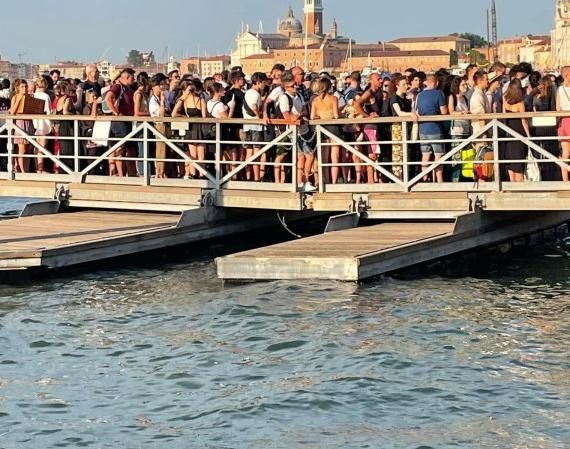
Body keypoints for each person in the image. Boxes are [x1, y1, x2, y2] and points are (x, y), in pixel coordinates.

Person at [416, 74, 448, 183]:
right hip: (435, 128)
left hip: (422, 129)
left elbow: (416, 111)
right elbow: (444, 111)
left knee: (425, 154)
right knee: (439, 154)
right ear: (436, 83)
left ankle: (424, 178)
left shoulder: (419, 95)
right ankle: (439, 179)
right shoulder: (438, 93)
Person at [172, 78, 207, 179]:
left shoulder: (186, 100)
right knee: (199, 155)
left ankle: (194, 174)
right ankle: (200, 175)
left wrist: (183, 98)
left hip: (192, 128)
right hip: (198, 128)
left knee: (194, 155)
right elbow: (204, 117)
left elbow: (174, 113)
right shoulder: (200, 100)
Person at [105, 68, 135, 177]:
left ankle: (124, 173)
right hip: (119, 123)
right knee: (120, 148)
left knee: (123, 148)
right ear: (127, 77)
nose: (134, 79)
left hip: (127, 121)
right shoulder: (118, 86)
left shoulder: (128, 88)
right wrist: (116, 112)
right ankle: (120, 174)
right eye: (132, 77)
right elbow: (108, 98)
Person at [311, 76, 340, 188]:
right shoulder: (333, 99)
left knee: (323, 158)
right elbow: (336, 116)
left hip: (322, 129)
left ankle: (326, 181)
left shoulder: (315, 100)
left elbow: (312, 117)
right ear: (329, 87)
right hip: (333, 128)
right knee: (334, 158)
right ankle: (334, 182)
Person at [389, 75, 417, 180]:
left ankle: (407, 176)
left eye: (406, 84)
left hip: (406, 127)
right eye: (403, 84)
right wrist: (411, 114)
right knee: (398, 151)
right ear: (397, 86)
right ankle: (398, 177)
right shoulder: (394, 97)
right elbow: (399, 112)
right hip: (397, 127)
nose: (406, 86)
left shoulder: (405, 97)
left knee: (407, 150)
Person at [502, 79, 529, 182]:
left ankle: (512, 184)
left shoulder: (505, 99)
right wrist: (528, 136)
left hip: (509, 133)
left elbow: (504, 116)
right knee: (519, 163)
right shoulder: (520, 103)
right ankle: (520, 186)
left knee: (511, 163)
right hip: (519, 133)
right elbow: (524, 121)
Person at [242, 72, 268, 182]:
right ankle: (257, 178)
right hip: (256, 126)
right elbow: (253, 106)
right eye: (264, 83)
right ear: (258, 83)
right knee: (257, 152)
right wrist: (259, 116)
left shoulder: (247, 92)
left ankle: (248, 176)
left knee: (249, 152)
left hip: (247, 125)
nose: (265, 85)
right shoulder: (255, 94)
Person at [448, 76, 471, 182]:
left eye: (466, 84)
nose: (465, 86)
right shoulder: (452, 97)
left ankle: (465, 179)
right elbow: (451, 111)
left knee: (466, 156)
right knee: (456, 157)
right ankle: (455, 180)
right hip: (457, 130)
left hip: (466, 130)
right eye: (463, 85)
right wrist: (462, 113)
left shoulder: (465, 98)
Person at [9, 79, 35, 173]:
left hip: (29, 123)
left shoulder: (29, 97)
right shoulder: (15, 97)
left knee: (28, 149)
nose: (25, 88)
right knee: (22, 149)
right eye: (22, 86)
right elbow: (12, 112)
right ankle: (22, 170)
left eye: (26, 86)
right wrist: (20, 99)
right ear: (18, 88)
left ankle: (26, 169)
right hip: (19, 124)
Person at [32, 77, 53, 173]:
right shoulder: (45, 96)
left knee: (37, 146)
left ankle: (38, 167)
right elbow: (49, 111)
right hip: (44, 123)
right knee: (42, 147)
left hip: (35, 123)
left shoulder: (33, 95)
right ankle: (40, 168)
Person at [149, 78, 167, 178]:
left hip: (162, 125)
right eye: (159, 85)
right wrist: (163, 102)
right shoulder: (153, 100)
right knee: (160, 149)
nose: (162, 87)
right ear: (154, 87)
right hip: (158, 125)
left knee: (163, 149)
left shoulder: (157, 98)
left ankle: (162, 171)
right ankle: (159, 172)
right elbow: (160, 114)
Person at [556, 66, 570, 182]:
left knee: (565, 152)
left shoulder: (559, 89)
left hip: (563, 121)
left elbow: (558, 108)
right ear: (567, 75)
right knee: (566, 152)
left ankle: (565, 180)